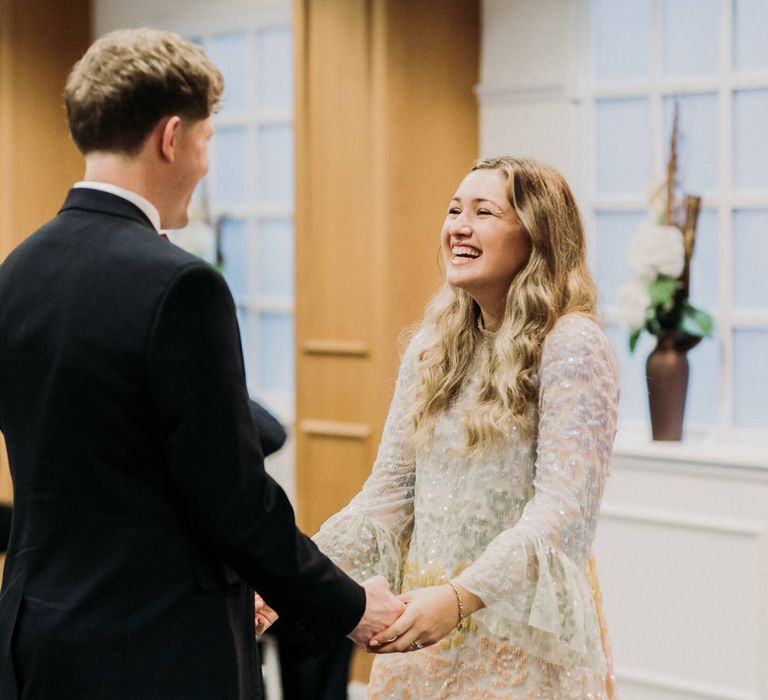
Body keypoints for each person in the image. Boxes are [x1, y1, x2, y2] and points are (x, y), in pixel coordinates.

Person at [0, 29, 404, 700]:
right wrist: (352, 607)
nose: (207, 158)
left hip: (32, 641)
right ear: (171, 136)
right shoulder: (180, 286)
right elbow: (234, 503)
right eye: (209, 138)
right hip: (156, 654)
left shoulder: (16, 273)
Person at [314, 156, 621, 698]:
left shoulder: (572, 345)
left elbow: (561, 516)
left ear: (536, 234)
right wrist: (291, 582)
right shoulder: (431, 350)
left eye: (484, 212)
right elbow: (386, 496)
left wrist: (459, 598)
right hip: (422, 638)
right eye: (455, 210)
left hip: (519, 645)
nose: (458, 226)